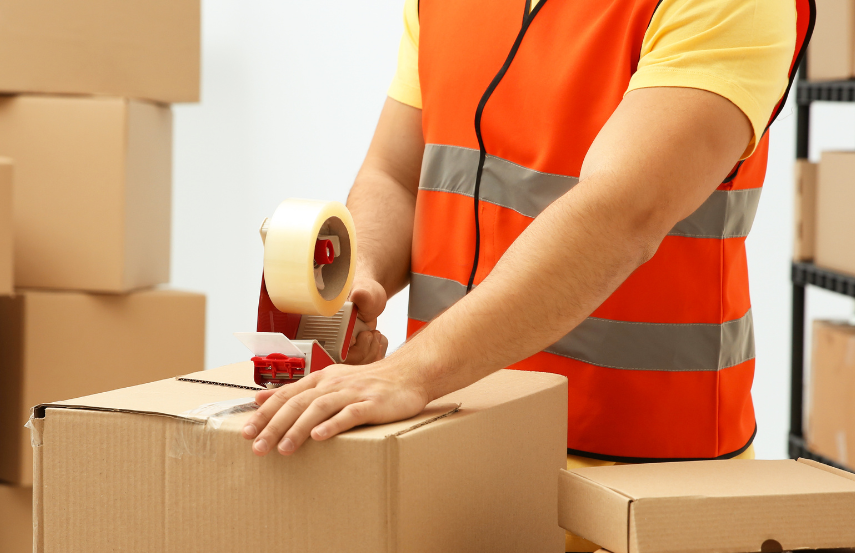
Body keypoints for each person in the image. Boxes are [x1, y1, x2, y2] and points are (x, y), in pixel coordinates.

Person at [242, 0, 814, 465]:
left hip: (641, 474)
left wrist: (411, 371)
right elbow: (396, 174)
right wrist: (359, 281)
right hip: (449, 438)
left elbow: (622, 213)